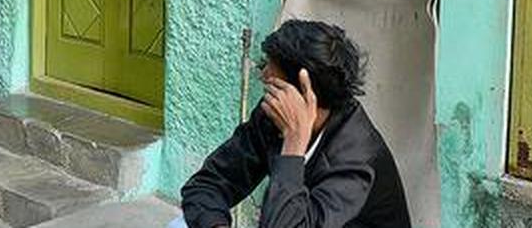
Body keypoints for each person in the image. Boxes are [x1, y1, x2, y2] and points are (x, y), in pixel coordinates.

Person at [175, 20, 410, 228]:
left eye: (274, 83)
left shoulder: (356, 161)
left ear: (305, 94)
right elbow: (206, 185)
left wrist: (294, 145)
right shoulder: (272, 116)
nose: (263, 76)